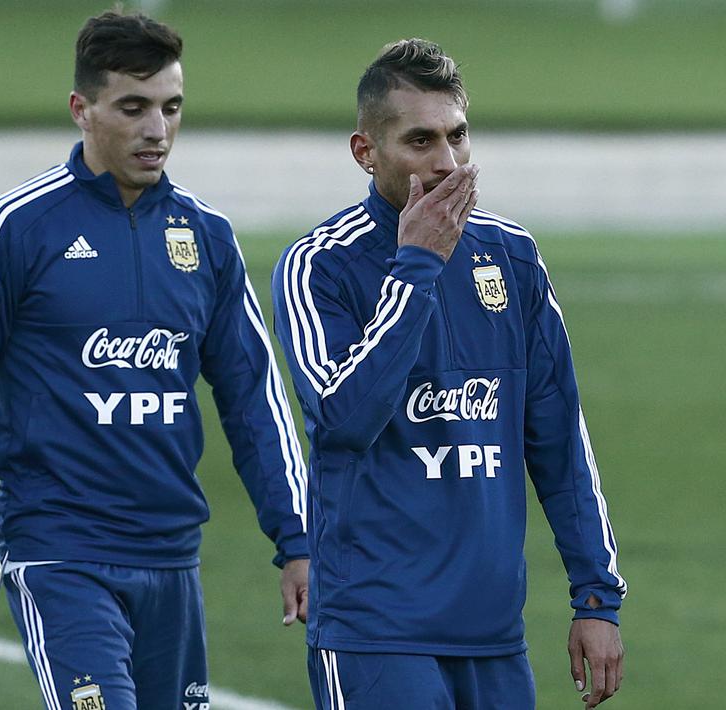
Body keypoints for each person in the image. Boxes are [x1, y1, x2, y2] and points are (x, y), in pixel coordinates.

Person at [0, 10, 309, 709]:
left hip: (171, 558)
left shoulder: (207, 236)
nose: (157, 129)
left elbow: (255, 399)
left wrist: (300, 538)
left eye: (170, 107)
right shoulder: (12, 226)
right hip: (59, 551)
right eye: (132, 107)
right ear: (82, 109)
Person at [272, 38, 626, 710]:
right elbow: (343, 420)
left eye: (457, 136)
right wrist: (417, 267)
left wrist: (595, 597)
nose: (446, 162)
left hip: (493, 636)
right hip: (375, 632)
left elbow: (558, 442)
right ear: (365, 151)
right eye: (419, 141)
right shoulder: (319, 265)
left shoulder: (511, 256)